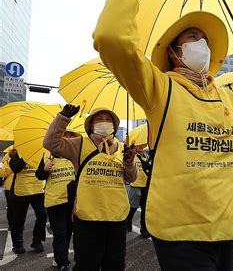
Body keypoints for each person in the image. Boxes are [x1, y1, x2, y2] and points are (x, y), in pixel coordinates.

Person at [93, 0, 233, 270]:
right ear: (175, 53)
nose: (201, 44)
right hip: (180, 234)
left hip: (228, 230)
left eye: (204, 39)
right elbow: (110, 39)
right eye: (192, 38)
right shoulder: (159, 88)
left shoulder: (232, 98)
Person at [43, 106, 137, 270]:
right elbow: (51, 143)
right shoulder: (79, 144)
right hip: (88, 220)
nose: (104, 122)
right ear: (91, 124)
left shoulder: (122, 148)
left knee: (115, 265)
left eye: (108, 120)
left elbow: (131, 178)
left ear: (115, 125)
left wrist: (129, 162)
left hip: (117, 219)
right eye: (99, 119)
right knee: (87, 265)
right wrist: (63, 118)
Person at [36, 131, 77, 271]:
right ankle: (63, 263)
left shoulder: (75, 156)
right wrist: (44, 170)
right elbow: (39, 175)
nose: (69, 138)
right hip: (54, 201)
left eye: (72, 136)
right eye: (66, 135)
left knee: (68, 232)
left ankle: (59, 257)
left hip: (72, 201)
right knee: (60, 232)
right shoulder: (47, 155)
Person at [8, 149, 47, 254]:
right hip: (21, 191)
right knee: (18, 220)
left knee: (42, 215)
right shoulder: (18, 153)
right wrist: (27, 157)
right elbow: (15, 168)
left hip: (38, 190)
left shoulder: (43, 153)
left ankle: (37, 241)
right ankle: (18, 245)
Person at [126, 144, 149, 238]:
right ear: (135, 146)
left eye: (143, 146)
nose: (141, 148)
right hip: (135, 185)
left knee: (145, 210)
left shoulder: (145, 156)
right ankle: (127, 224)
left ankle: (144, 229)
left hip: (145, 186)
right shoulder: (131, 155)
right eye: (139, 146)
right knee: (132, 208)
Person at [0, 149, 14, 231]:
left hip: (9, 187)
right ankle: (19, 224)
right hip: (19, 186)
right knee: (18, 207)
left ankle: (11, 225)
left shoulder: (7, 161)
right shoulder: (24, 159)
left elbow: (3, 173)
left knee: (10, 206)